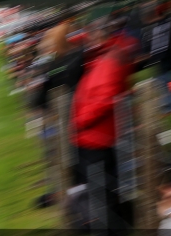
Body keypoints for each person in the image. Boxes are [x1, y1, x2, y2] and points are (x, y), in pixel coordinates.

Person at [70, 39, 134, 233]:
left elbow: (106, 99)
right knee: (99, 192)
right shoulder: (102, 65)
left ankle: (113, 229)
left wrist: (80, 121)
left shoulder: (107, 65)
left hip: (94, 140)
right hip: (91, 139)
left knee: (102, 195)